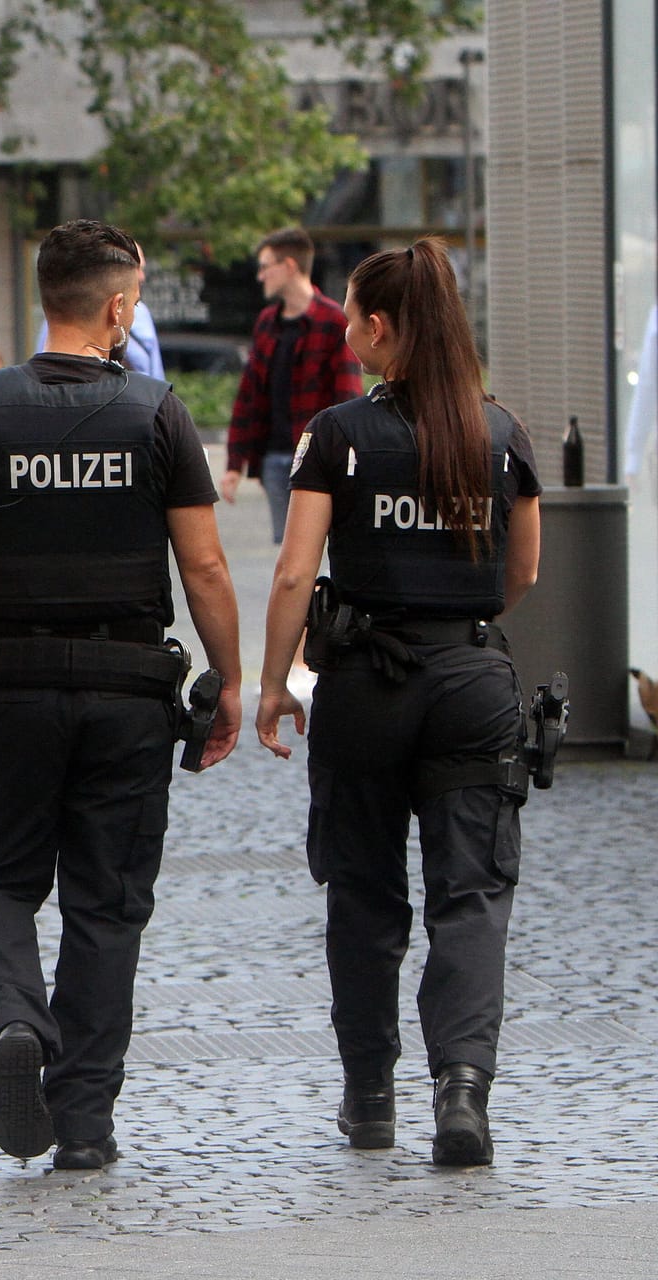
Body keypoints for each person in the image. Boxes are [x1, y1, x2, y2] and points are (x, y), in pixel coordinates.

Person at [0, 220, 241, 1172]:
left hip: (7, 687)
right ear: (120, 307)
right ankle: (83, 1120)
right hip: (129, 694)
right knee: (107, 905)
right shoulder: (158, 414)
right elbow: (203, 563)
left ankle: (11, 1020)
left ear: (46, 297)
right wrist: (233, 678)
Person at [255, 239, 541, 1168]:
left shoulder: (339, 435)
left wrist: (271, 683)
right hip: (471, 684)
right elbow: (521, 573)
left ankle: (370, 1095)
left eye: (352, 315)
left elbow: (297, 569)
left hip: (367, 685)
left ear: (382, 327)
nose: (344, 328)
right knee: (472, 896)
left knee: (365, 895)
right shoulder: (502, 436)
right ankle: (461, 1088)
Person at [222, 228, 363, 544]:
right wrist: (234, 463)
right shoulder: (267, 322)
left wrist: (343, 460)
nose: (260, 276)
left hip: (317, 459)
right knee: (284, 551)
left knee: (319, 551)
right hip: (274, 458)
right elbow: (249, 395)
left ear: (288, 266)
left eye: (265, 266)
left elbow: (347, 397)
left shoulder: (333, 321)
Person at [33, 239, 165, 378]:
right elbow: (45, 365)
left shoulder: (142, 315)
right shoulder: (66, 313)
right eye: (137, 268)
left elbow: (155, 371)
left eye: (142, 269)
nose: (142, 276)